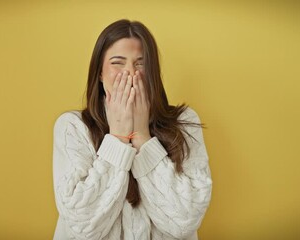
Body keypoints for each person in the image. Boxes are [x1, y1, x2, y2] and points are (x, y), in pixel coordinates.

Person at [52, 19, 212, 240]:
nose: (129, 73)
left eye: (140, 64)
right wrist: (117, 138)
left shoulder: (185, 122)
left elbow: (184, 221)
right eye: (118, 63)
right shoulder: (72, 127)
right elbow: (82, 226)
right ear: (99, 73)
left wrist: (142, 137)